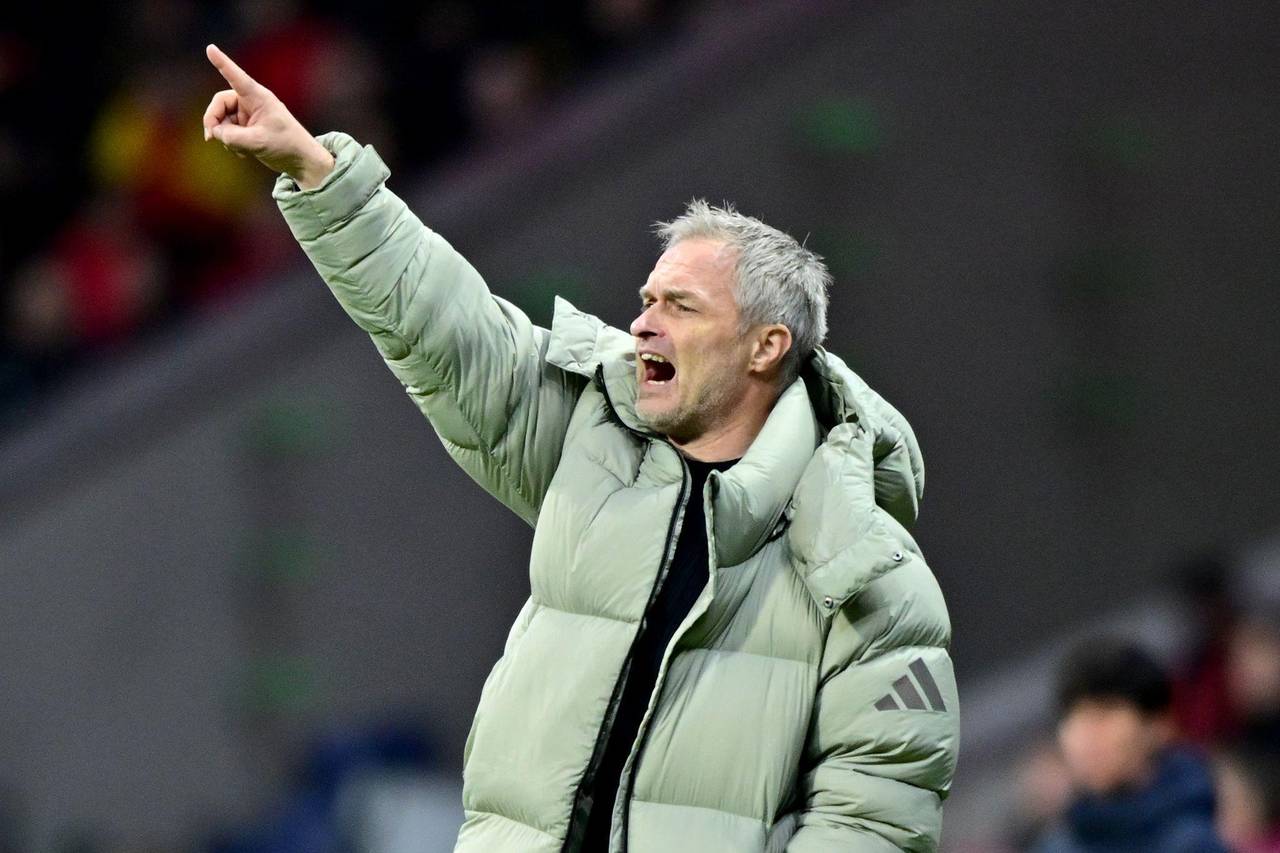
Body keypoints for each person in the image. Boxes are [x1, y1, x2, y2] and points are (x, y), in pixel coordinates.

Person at [202, 41, 959, 852]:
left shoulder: (873, 579)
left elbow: (873, 821)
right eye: (646, 300)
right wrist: (319, 171)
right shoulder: (595, 433)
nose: (644, 323)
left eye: (680, 306)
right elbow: (448, 326)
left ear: (766, 346)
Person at [1033, 637, 1228, 853]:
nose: (1085, 734)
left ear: (1158, 725)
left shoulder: (1198, 837)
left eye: (1103, 713)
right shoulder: (1057, 844)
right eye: (1073, 717)